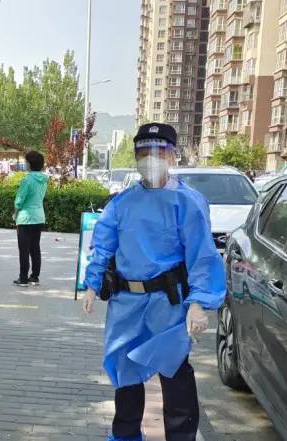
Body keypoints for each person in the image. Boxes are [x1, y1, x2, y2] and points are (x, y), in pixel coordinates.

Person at [82, 123, 226, 441]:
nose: (151, 159)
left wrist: (198, 303)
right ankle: (125, 434)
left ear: (173, 156)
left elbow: (202, 255)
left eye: (159, 152)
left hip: (168, 302)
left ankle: (181, 436)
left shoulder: (187, 202)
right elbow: (103, 245)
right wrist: (92, 284)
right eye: (144, 152)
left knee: (174, 371)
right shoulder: (121, 203)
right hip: (126, 302)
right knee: (125, 370)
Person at [13, 151, 48, 287]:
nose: (25, 163)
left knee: (24, 249)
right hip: (39, 216)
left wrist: (15, 213)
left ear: (29, 164)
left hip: (26, 218)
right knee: (35, 248)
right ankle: (34, 277)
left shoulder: (27, 180)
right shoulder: (44, 179)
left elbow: (19, 200)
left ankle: (23, 278)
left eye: (26, 161)